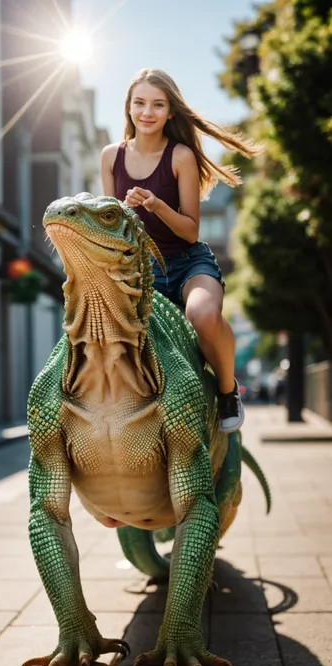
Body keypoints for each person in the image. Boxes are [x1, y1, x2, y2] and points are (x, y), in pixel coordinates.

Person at [101, 68, 259, 433]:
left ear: (170, 112)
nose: (147, 112)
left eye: (158, 105)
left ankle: (227, 390)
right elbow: (115, 231)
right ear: (128, 107)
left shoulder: (181, 156)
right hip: (142, 270)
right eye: (139, 103)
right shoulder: (111, 157)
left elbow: (190, 231)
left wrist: (156, 205)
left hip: (189, 263)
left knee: (203, 315)